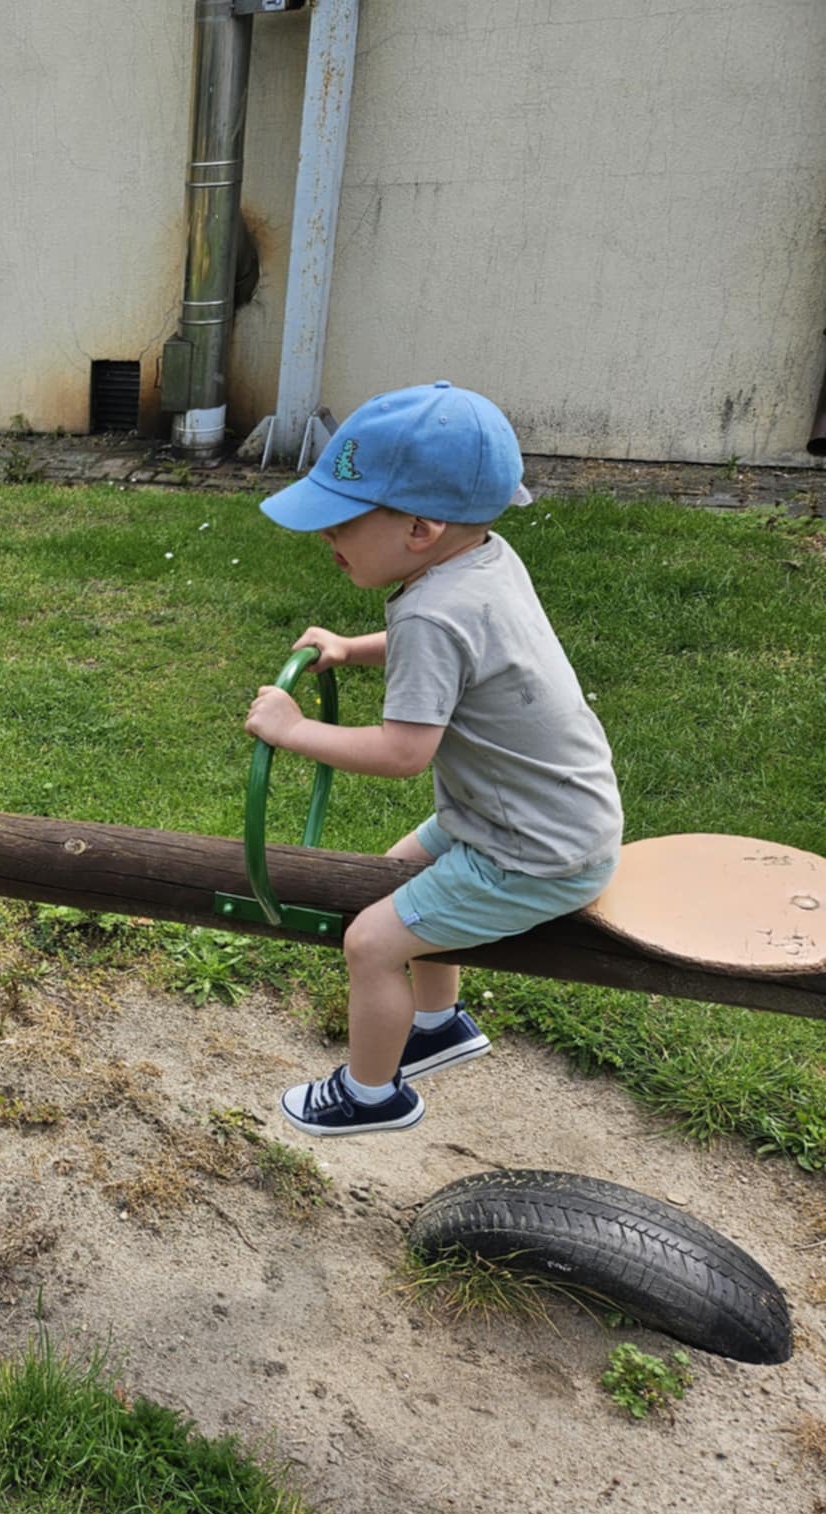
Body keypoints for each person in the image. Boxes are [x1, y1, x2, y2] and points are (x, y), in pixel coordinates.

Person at [244, 381, 620, 1136]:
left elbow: (402, 752)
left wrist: (291, 730)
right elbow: (455, 649)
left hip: (533, 852)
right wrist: (352, 648)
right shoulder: (483, 562)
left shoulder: (431, 613)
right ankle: (438, 1025)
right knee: (401, 873)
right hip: (545, 815)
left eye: (341, 522)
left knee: (371, 942)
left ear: (420, 529)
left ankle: (371, 1095)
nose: (326, 537)